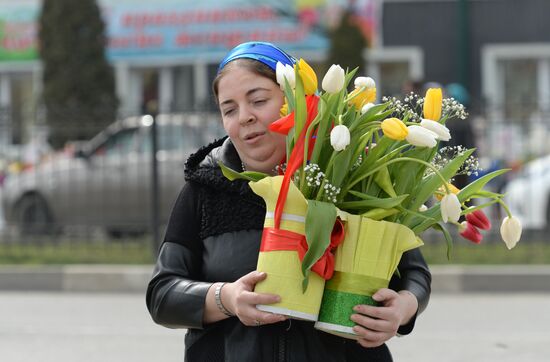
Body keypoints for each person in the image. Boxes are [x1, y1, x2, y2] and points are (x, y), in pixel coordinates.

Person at [146, 41, 431, 361]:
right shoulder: (206, 188)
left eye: (258, 100)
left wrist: (403, 309)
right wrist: (225, 298)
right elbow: (162, 295)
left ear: (294, 99)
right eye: (229, 109)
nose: (245, 117)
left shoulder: (353, 176)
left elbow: (414, 273)